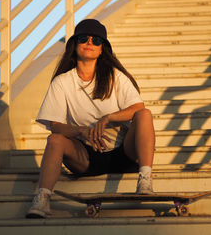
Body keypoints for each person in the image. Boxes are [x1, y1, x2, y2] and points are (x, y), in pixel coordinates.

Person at [26, 19, 155, 218]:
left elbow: (138, 107)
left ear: (102, 49)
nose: (90, 43)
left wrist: (108, 118)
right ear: (75, 44)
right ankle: (42, 200)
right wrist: (81, 131)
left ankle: (145, 180)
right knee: (55, 140)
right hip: (87, 156)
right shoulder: (62, 82)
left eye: (96, 40)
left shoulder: (115, 76)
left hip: (123, 152)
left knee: (144, 114)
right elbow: (55, 126)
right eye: (84, 38)